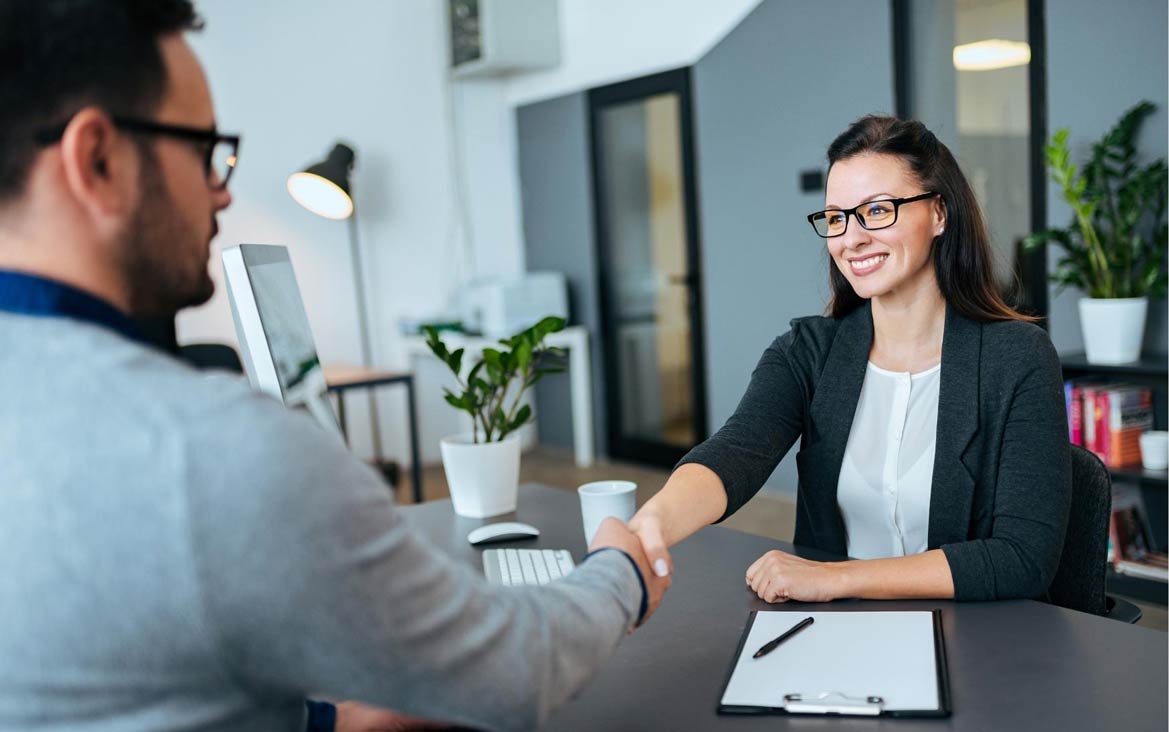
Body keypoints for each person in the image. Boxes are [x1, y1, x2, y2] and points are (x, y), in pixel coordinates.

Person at [0, 2, 670, 731]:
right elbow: (517, 670)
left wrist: (326, 721)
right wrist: (620, 571)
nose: (222, 189)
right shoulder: (204, 451)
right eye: (207, 152)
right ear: (97, 159)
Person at [629, 114, 1071, 605]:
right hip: (836, 631)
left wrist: (835, 577)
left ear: (940, 213)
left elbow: (1021, 558)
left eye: (877, 210)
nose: (850, 238)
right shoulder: (808, 352)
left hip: (978, 638)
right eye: (836, 217)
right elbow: (735, 453)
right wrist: (653, 521)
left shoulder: (1018, 358)